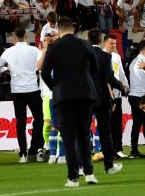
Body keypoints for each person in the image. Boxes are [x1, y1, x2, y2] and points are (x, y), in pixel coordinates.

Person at [40, 16, 99, 187]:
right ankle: (89, 173)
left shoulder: (54, 47)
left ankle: (73, 177)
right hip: (85, 95)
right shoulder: (86, 44)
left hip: (64, 96)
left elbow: (44, 73)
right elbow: (94, 69)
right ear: (73, 28)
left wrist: (55, 87)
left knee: (68, 136)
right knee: (84, 134)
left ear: (58, 29)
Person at [0, 26, 43, 163]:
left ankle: (23, 153)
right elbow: (41, 65)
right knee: (39, 119)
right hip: (32, 88)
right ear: (26, 36)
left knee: (20, 122)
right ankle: (34, 150)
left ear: (15, 37)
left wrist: (6, 68)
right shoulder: (34, 50)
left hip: (17, 91)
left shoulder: (9, 51)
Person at [86, 28, 125, 175]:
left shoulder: (83, 56)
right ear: (101, 41)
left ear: (88, 39)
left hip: (86, 98)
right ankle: (109, 166)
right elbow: (109, 78)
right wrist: (121, 86)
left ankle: (85, 166)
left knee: (84, 132)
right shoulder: (105, 57)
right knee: (105, 132)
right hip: (102, 99)